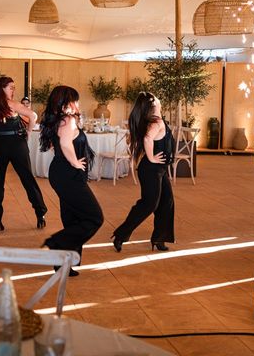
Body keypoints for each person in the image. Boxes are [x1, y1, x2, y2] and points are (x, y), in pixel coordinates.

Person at [39, 85, 103, 277]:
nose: (78, 103)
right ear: (67, 103)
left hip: (62, 173)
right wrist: (75, 162)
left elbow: (56, 145)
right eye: (75, 100)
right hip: (68, 175)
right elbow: (66, 144)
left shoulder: (60, 120)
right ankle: (56, 243)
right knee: (94, 217)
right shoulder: (67, 120)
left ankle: (63, 263)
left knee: (72, 218)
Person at [112, 92, 175, 253]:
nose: (159, 97)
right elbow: (147, 139)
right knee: (149, 204)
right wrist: (152, 157)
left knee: (166, 203)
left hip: (159, 170)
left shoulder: (156, 120)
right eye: (156, 97)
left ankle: (160, 238)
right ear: (154, 104)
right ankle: (121, 235)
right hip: (151, 170)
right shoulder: (157, 122)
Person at [0, 76, 47, 231]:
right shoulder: (3, 104)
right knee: (0, 181)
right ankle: (38, 214)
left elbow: (33, 116)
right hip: (8, 144)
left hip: (6, 144)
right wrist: (28, 132)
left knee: (19, 179)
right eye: (10, 87)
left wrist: (27, 131)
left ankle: (38, 214)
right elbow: (33, 116)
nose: (13, 90)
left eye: (14, 87)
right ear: (1, 88)